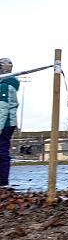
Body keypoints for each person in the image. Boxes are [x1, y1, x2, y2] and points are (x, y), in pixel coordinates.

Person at [0, 58, 19, 187]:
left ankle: (2, 181)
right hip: (7, 123)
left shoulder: (4, 86)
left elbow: (2, 108)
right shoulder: (9, 84)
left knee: (2, 152)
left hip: (5, 123)